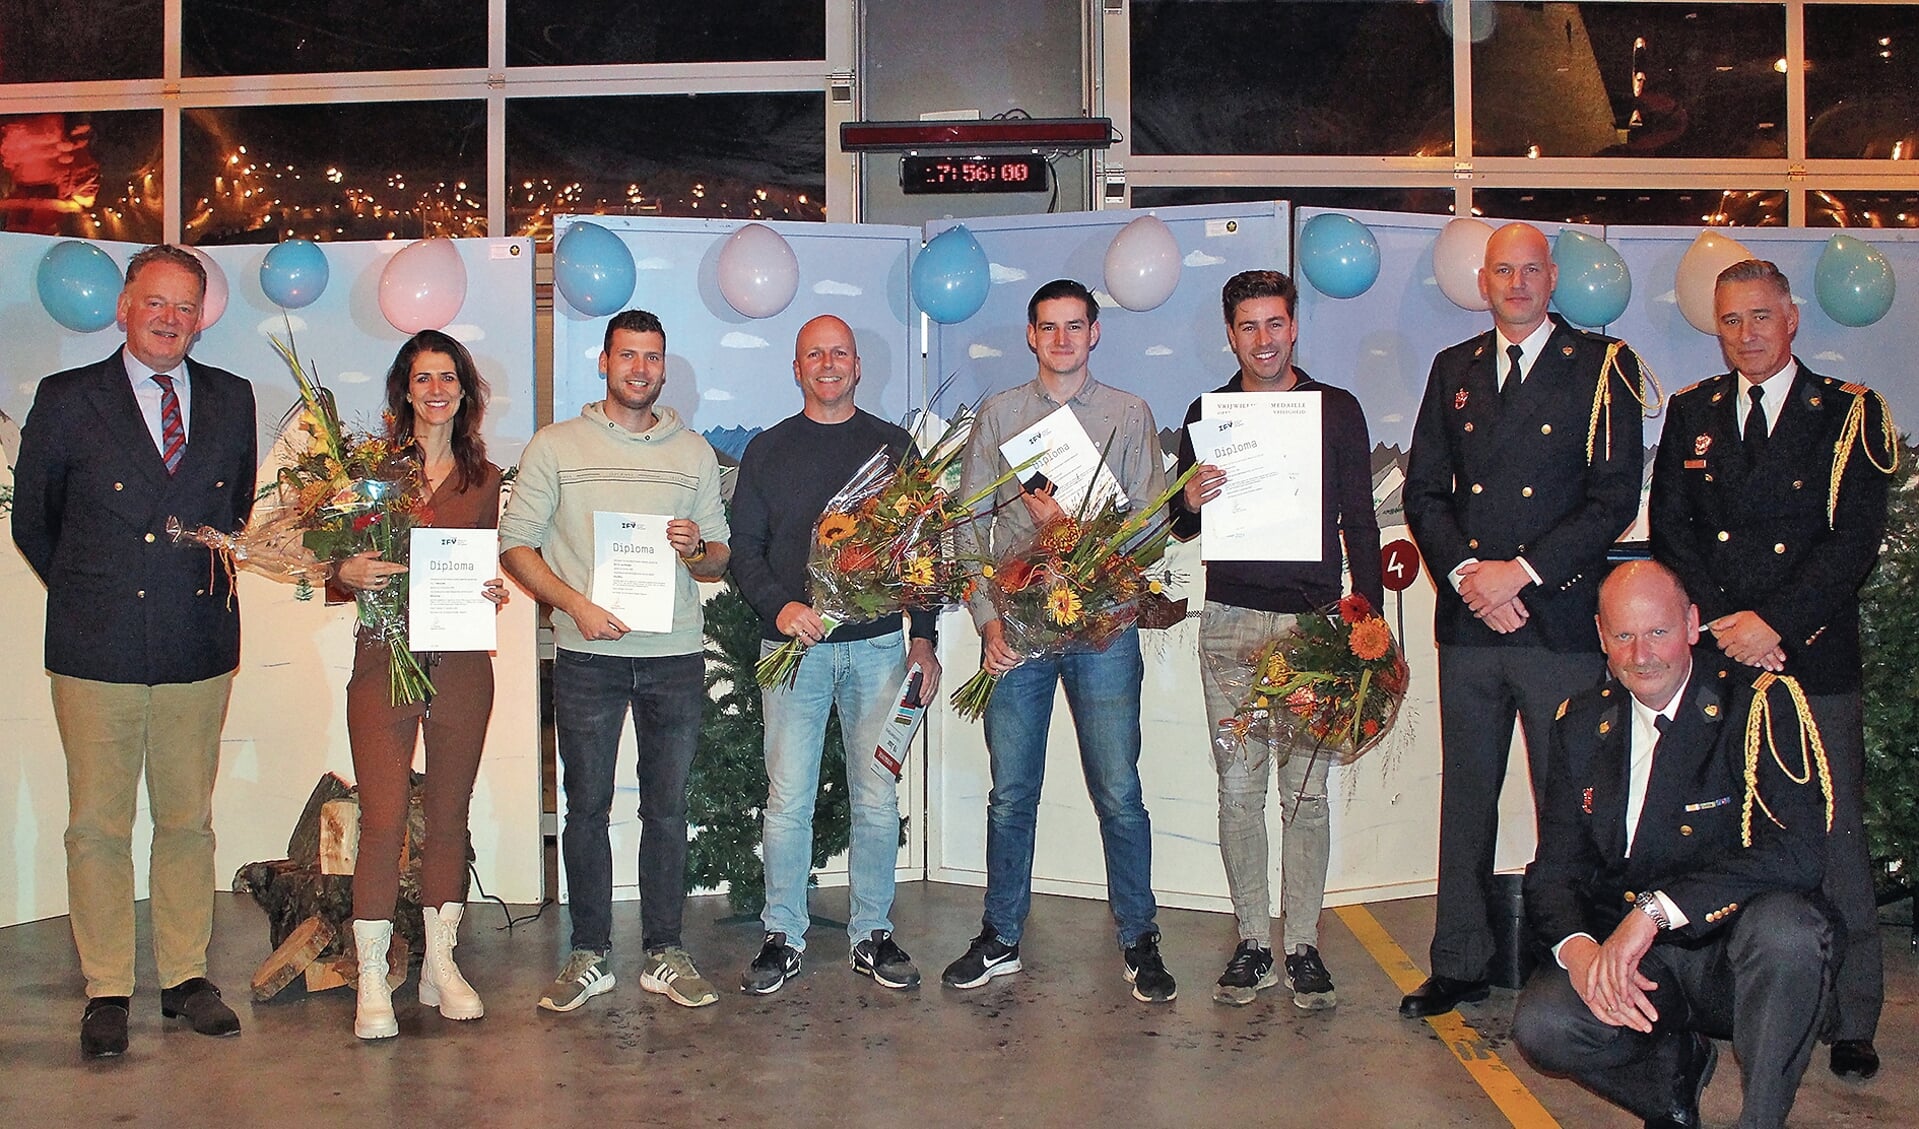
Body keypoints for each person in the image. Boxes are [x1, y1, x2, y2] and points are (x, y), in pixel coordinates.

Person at [1649, 258, 1894, 1080]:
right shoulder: (1691, 415)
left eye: (1759, 316)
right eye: (1729, 321)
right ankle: (1732, 993)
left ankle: (1850, 1013)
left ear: (1791, 318)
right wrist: (1728, 624)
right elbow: (1673, 534)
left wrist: (1774, 624)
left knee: (1834, 841)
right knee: (1724, 834)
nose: (1745, 334)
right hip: (1722, 660)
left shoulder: (1848, 414)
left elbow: (1852, 542)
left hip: (1807, 659)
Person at [11, 244, 257, 1058]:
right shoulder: (67, 397)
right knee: (97, 827)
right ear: (124, 306)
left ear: (200, 317)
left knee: (189, 820)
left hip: (196, 637)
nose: (170, 318)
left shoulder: (231, 398)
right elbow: (34, 522)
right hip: (96, 641)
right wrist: (93, 587)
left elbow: (237, 509)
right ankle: (107, 985)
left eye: (186, 306)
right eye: (155, 301)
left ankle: (185, 977)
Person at [1402, 221, 1646, 1018]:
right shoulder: (1453, 369)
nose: (1515, 284)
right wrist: (1474, 576)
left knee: (1565, 801)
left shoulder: (1603, 367)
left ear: (1552, 279)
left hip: (1557, 619)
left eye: (1530, 270)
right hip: (1472, 623)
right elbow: (1425, 493)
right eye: (1502, 271)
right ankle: (1459, 959)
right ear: (1483, 281)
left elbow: (1611, 496)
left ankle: (1569, 964)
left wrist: (1523, 574)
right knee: (1465, 797)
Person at [1512, 560, 1832, 1129]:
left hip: (1733, 956)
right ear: (1601, 637)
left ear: (1691, 624)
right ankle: (1671, 1083)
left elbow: (1799, 853)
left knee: (1789, 931)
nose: (1642, 655)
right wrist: (1582, 953)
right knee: (1545, 1025)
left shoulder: (1757, 705)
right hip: (1641, 961)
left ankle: (1761, 1121)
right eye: (1624, 636)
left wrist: (1656, 912)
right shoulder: (1581, 722)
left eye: (1658, 632)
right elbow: (1556, 866)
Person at [942, 279, 1176, 1003]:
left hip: (1104, 628)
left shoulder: (1128, 414)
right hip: (1017, 630)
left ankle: (1139, 935)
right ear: (1030, 335)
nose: (1063, 339)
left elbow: (1154, 526)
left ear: (1095, 332)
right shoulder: (1001, 414)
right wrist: (985, 619)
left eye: (1075, 326)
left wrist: (1070, 529)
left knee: (1118, 790)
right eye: (1049, 327)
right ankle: (1000, 933)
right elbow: (965, 523)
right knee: (1011, 792)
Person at [500, 309, 731, 1012]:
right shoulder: (555, 444)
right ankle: (589, 952)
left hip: (673, 656)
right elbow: (516, 544)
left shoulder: (691, 451)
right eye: (627, 355)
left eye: (652, 357)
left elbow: (717, 560)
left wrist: (695, 548)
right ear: (603, 362)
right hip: (587, 656)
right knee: (586, 809)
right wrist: (574, 604)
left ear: (663, 366)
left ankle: (664, 950)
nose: (640, 368)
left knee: (667, 809)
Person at [1174, 269, 1383, 1009]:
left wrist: (1369, 618)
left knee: (1306, 795)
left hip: (1314, 624)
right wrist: (1188, 499)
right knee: (1237, 792)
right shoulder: (1209, 410)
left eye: (1274, 324)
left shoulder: (1335, 409)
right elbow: (1183, 523)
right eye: (1247, 327)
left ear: (1293, 328)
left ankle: (1301, 945)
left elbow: (1359, 519)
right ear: (1229, 335)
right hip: (1229, 622)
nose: (1262, 340)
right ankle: (1250, 941)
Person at [730, 314, 942, 994]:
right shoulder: (767, 450)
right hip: (793, 648)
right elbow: (745, 551)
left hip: (878, 648)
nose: (828, 363)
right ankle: (782, 933)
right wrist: (779, 607)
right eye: (813, 354)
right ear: (797, 369)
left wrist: (924, 636)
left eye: (839, 352)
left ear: (857, 365)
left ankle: (872, 932)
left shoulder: (893, 447)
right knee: (786, 799)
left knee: (876, 795)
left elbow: (922, 552)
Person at [328, 331, 509, 1039]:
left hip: (462, 661)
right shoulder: (369, 473)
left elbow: (481, 560)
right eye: (422, 377)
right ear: (404, 388)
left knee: (449, 814)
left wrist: (488, 587)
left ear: (465, 392)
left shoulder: (485, 479)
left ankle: (439, 963)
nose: (436, 389)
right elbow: (335, 567)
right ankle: (371, 977)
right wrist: (345, 574)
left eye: (449, 378)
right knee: (382, 817)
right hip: (383, 658)